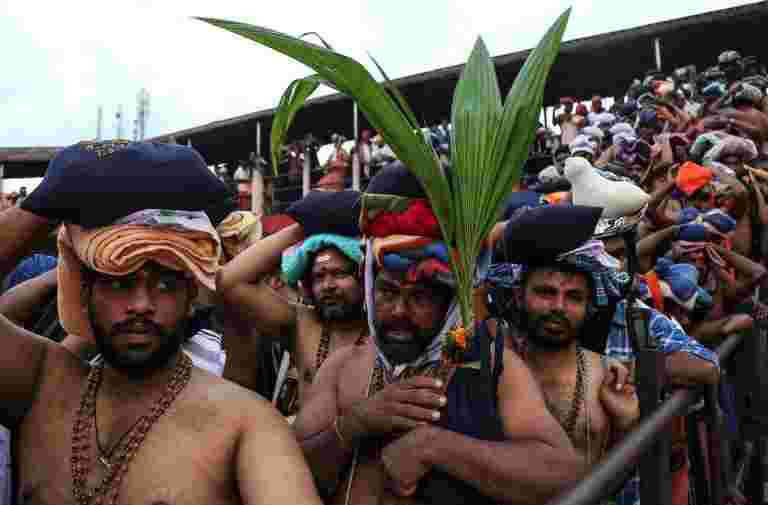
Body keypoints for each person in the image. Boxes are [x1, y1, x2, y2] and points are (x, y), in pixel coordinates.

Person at [0, 140, 321, 505]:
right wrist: (44, 203)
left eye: (166, 283)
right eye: (120, 281)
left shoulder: (245, 426)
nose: (141, 305)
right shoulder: (38, 384)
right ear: (85, 290)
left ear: (191, 297)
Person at [292, 165, 584, 505]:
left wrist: (434, 446)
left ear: (449, 303)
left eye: (420, 296)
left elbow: (562, 474)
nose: (399, 311)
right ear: (370, 288)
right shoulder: (342, 369)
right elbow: (284, 473)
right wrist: (353, 425)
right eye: (387, 292)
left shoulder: (490, 366)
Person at [218, 190, 368, 407]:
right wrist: (305, 227)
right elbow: (229, 281)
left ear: (363, 276)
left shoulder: (383, 332)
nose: (328, 285)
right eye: (318, 276)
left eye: (340, 274)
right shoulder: (300, 325)